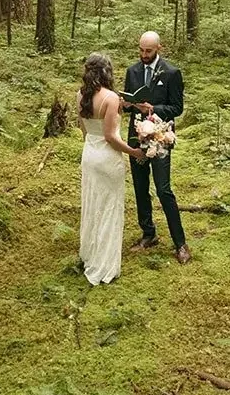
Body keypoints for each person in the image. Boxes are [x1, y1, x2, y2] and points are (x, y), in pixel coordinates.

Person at [122, 31, 190, 264]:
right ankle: (148, 233)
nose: (143, 55)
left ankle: (180, 243)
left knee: (163, 189)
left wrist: (153, 108)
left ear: (159, 48)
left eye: (148, 51)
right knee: (140, 186)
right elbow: (129, 105)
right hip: (136, 136)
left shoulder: (171, 73)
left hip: (161, 137)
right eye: (141, 50)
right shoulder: (132, 71)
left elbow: (177, 108)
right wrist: (127, 104)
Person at [78, 53, 144, 285]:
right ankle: (104, 263)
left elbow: (84, 129)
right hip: (107, 158)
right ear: (107, 72)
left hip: (89, 153)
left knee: (92, 203)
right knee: (109, 207)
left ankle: (89, 253)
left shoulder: (81, 95)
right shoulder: (110, 98)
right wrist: (134, 152)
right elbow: (110, 137)